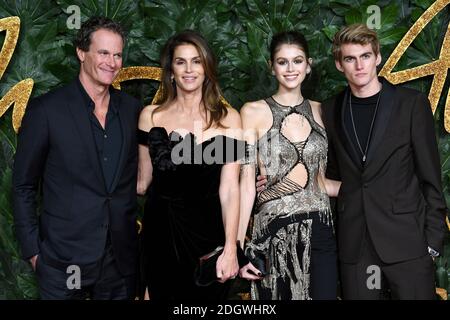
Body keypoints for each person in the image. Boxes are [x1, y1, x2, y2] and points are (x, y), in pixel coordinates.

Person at [12, 17, 142, 300]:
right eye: (103, 53)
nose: (112, 62)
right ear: (81, 53)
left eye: (118, 54)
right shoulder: (46, 111)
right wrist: (34, 252)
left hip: (118, 264)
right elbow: (23, 186)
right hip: (62, 262)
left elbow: (154, 173)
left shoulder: (133, 111)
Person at [321, 24, 447, 299]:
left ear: (377, 57)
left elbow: (430, 177)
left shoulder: (411, 105)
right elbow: (333, 174)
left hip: (408, 245)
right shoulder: (331, 110)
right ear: (339, 65)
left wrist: (432, 243)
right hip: (356, 246)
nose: (359, 65)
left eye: (365, 56)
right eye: (350, 59)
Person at [137, 30, 243, 300]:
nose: (189, 69)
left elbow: (230, 189)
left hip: (207, 236)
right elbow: (141, 183)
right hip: (161, 233)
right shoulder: (150, 116)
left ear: (207, 68)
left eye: (196, 61)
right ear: (171, 69)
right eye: (180, 62)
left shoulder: (229, 119)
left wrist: (231, 247)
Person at [238, 31, 341, 300]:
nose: (290, 68)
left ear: (308, 65)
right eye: (282, 62)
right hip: (273, 231)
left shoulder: (323, 111)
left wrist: (370, 188)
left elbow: (320, 181)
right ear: (272, 67)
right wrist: (240, 247)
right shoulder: (252, 111)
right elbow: (247, 182)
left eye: (297, 61)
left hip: (320, 228)